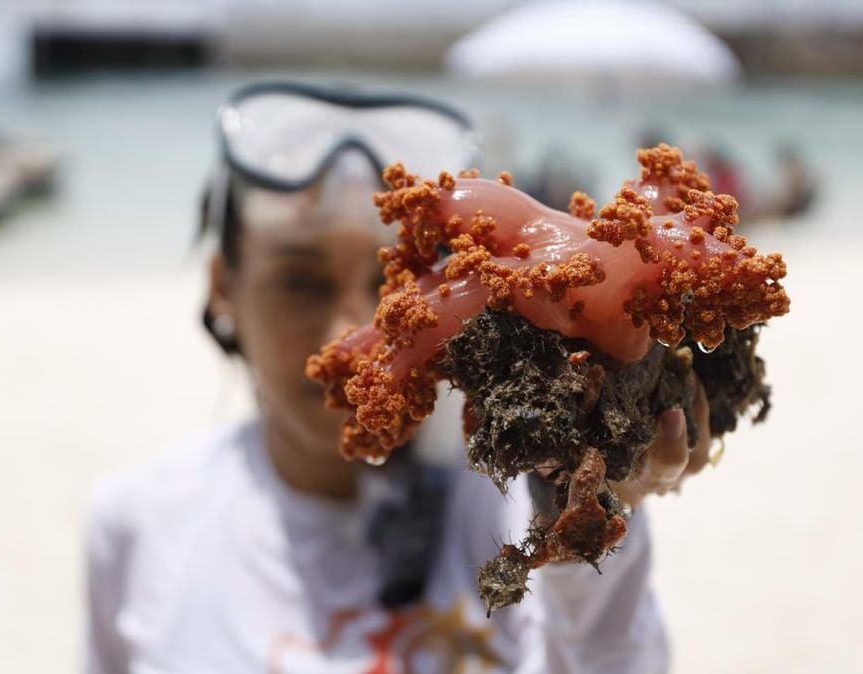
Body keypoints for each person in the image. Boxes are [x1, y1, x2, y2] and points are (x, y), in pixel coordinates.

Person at [84, 81, 711, 673]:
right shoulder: (137, 523)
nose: (351, 329)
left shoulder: (513, 507)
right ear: (224, 288)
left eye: (395, 285)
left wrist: (589, 512)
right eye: (300, 281)